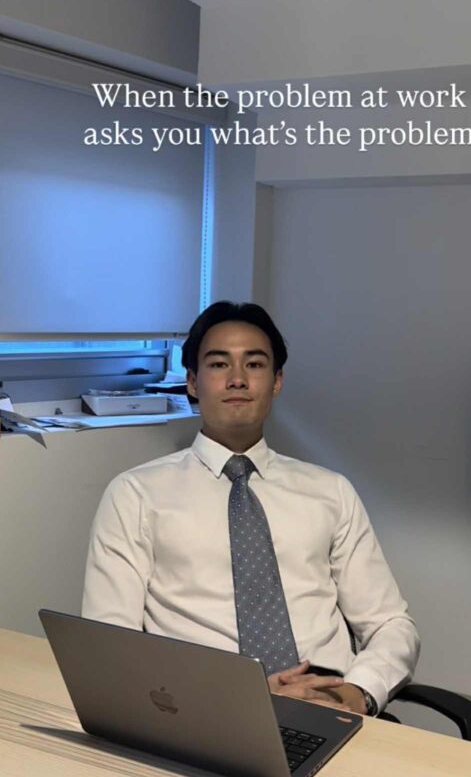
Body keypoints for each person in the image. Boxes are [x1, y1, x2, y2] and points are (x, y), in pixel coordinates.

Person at [82, 302, 420, 715]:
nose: (238, 379)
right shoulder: (135, 495)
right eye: (219, 364)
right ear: (192, 381)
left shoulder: (331, 492)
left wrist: (358, 693)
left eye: (255, 365)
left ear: (276, 381)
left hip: (330, 706)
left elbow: (391, 625)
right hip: (201, 714)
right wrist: (245, 698)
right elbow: (110, 646)